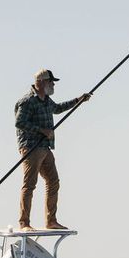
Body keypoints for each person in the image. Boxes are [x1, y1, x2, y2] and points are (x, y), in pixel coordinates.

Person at [14, 69, 91, 231]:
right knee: (29, 185)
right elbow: (20, 122)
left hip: (45, 147)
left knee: (53, 182)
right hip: (31, 147)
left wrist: (78, 100)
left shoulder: (46, 101)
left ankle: (51, 221)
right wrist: (42, 130)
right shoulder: (27, 101)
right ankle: (24, 223)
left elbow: (58, 108)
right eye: (50, 81)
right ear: (41, 82)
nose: (53, 84)